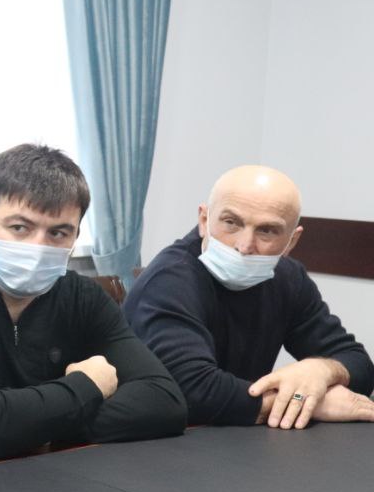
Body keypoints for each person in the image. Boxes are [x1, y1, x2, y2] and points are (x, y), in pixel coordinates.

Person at [0, 144, 186, 464]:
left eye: (58, 233)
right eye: (19, 228)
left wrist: (40, 425)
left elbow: (166, 401)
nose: (38, 247)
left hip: (43, 475)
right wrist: (88, 385)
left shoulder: (83, 297)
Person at [124, 165, 374, 428]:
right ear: (204, 220)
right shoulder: (168, 280)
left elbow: (358, 363)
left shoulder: (288, 278)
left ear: (291, 241)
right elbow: (193, 391)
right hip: (156, 440)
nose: (244, 246)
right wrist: (305, 402)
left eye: (267, 231)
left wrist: (321, 370)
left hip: (241, 439)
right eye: (231, 223)